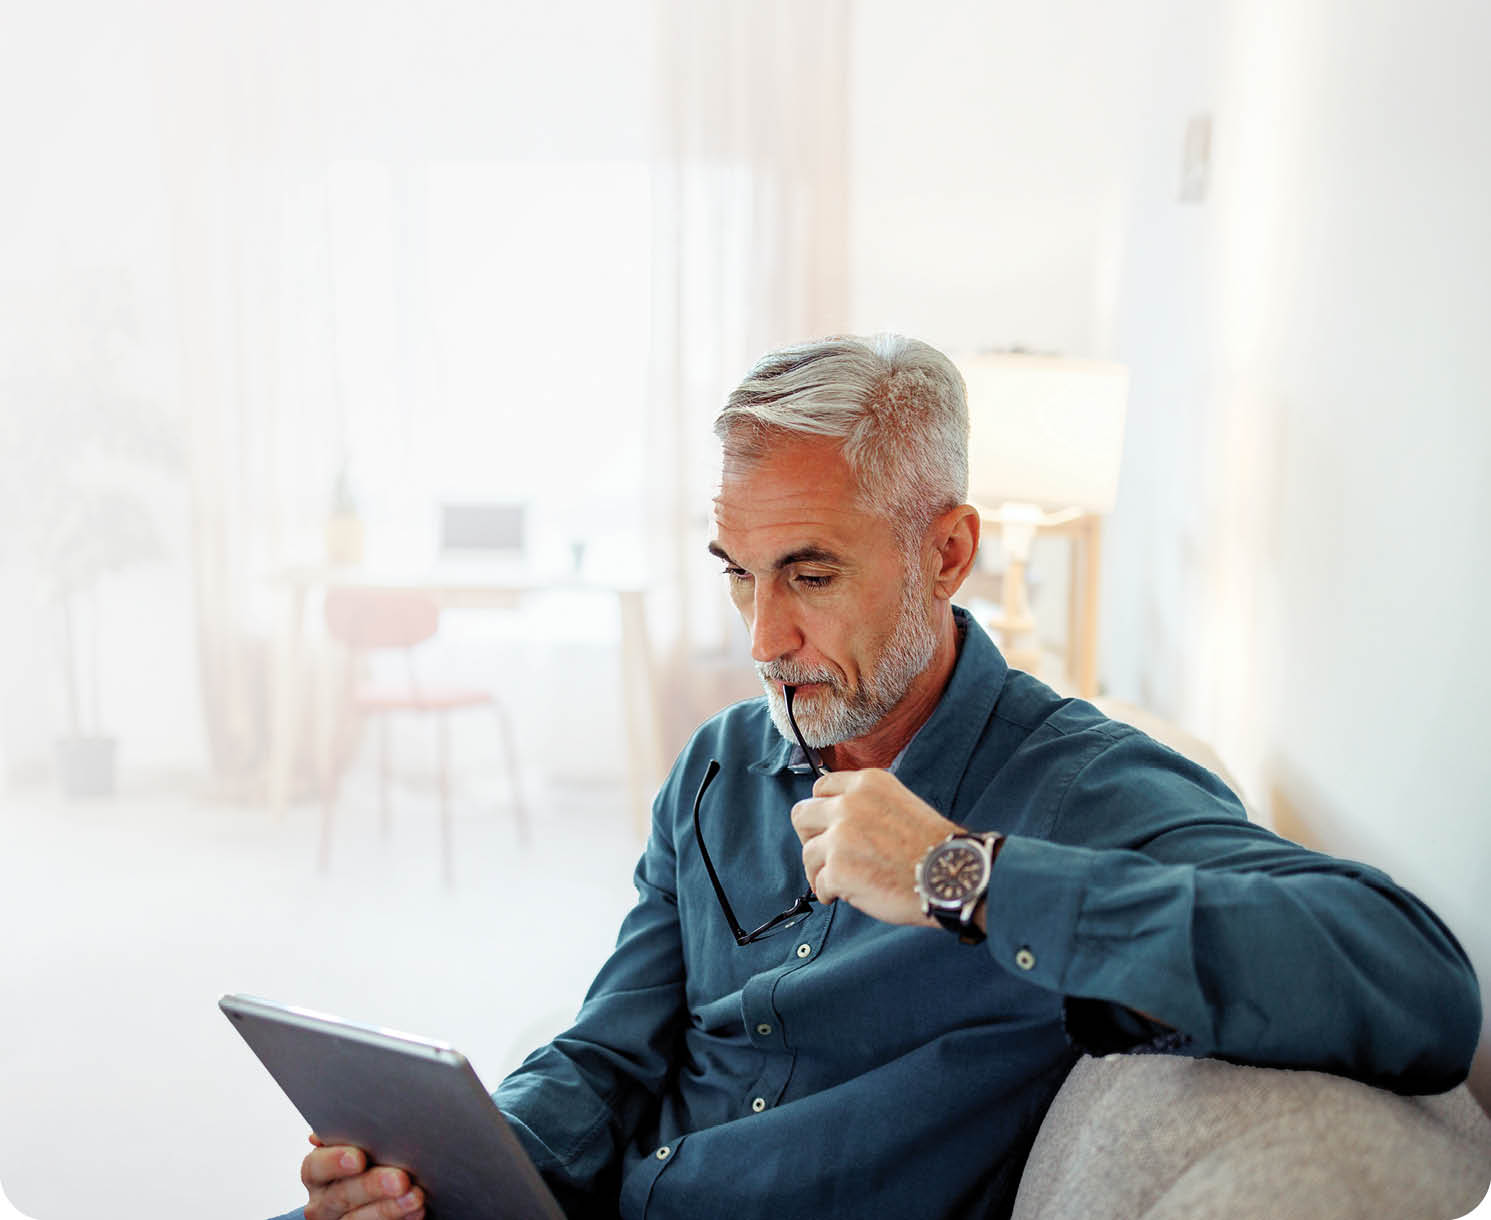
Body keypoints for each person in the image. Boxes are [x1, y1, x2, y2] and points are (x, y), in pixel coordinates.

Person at [286, 334, 1481, 1220]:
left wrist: (957, 873)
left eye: (809, 575)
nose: (760, 638)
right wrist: (459, 1171)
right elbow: (609, 1054)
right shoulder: (716, 768)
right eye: (737, 574)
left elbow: (1418, 983)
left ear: (947, 551)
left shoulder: (1076, 788)